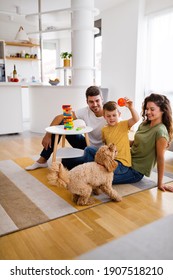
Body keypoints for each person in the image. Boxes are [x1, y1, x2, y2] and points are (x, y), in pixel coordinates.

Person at [85, 93, 173, 192]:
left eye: (152, 109)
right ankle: (87, 171)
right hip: (126, 161)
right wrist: (118, 141)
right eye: (147, 109)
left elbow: (160, 158)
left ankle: (87, 176)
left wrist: (160, 183)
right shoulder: (145, 124)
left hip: (135, 171)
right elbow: (134, 143)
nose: (148, 112)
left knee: (99, 178)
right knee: (89, 150)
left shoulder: (160, 132)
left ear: (162, 110)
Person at [26, 85, 107, 170]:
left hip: (100, 151)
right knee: (62, 123)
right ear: (87, 102)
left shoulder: (109, 113)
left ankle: (92, 161)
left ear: (102, 99)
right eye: (91, 102)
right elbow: (59, 118)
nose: (95, 104)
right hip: (86, 145)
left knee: (66, 163)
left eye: (97, 101)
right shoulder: (86, 111)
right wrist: (48, 135)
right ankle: (42, 161)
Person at [84, 99, 139, 168]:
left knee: (104, 172)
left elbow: (136, 119)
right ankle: (89, 170)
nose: (111, 118)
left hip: (122, 163)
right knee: (88, 149)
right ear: (104, 117)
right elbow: (106, 145)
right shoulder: (104, 129)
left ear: (119, 115)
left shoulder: (123, 125)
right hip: (109, 160)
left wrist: (131, 108)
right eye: (108, 116)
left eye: (114, 115)